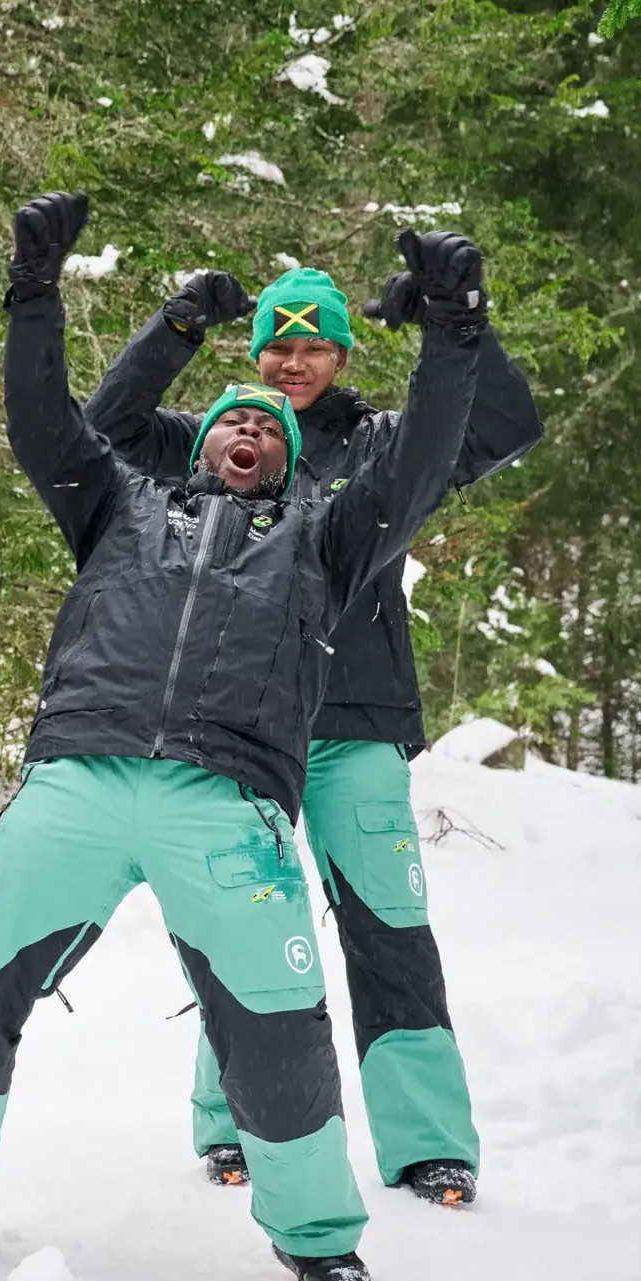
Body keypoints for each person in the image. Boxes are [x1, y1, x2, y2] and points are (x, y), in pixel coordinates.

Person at [0, 194, 487, 1281]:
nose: (250, 425)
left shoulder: (325, 537)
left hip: (224, 806)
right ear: (200, 441)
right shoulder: (119, 506)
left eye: (271, 423)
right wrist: (32, 288)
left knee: (278, 1024)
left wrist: (452, 327)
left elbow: (423, 463)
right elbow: (41, 419)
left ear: (295, 459)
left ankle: (316, 1236)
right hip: (76, 778)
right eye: (230, 416)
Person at [85, 256, 542, 1207]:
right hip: (239, 729)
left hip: (355, 723)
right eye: (280, 346)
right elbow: (107, 432)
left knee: (389, 928)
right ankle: (235, 1125)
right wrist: (176, 327)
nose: (296, 364)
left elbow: (505, 426)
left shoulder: (385, 442)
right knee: (238, 928)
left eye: (317, 346)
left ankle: (427, 1145)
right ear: (258, 353)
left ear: (342, 351)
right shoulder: (224, 440)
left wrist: (455, 324)